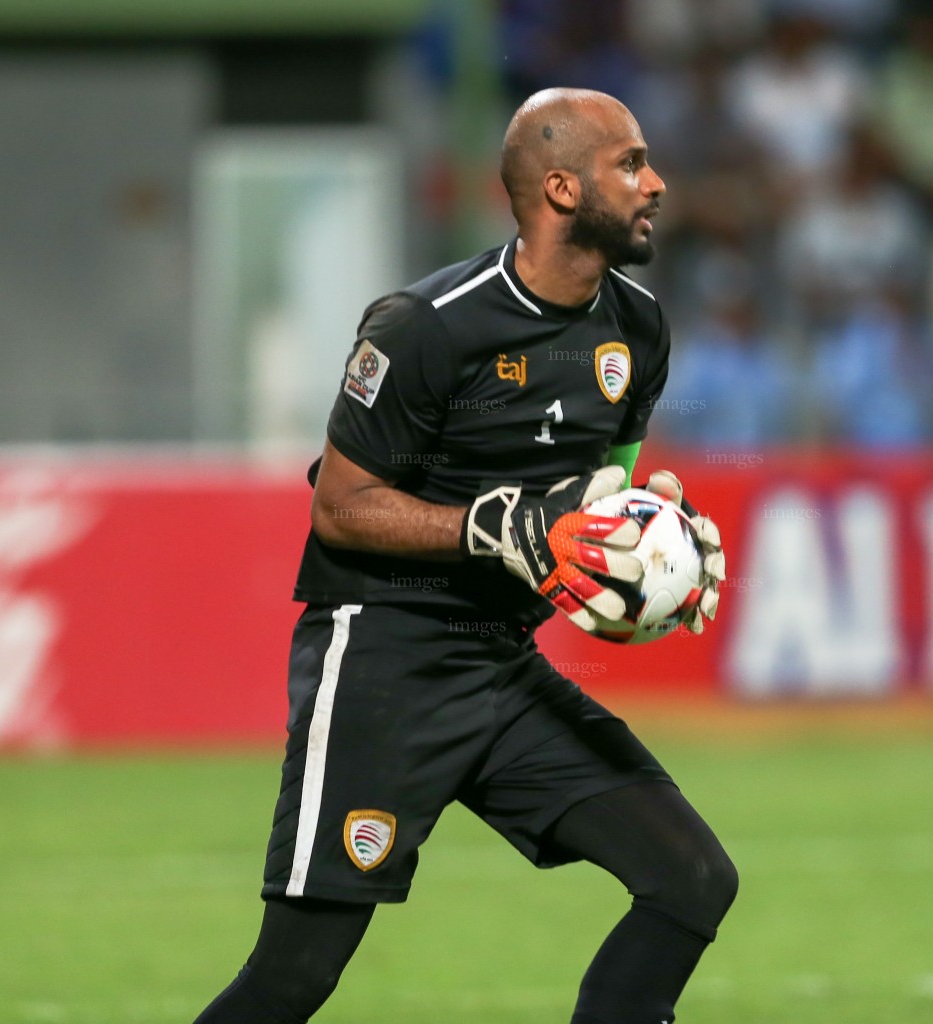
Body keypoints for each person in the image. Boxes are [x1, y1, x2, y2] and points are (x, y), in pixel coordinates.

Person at [191, 87, 731, 1024]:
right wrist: (491, 526)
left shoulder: (638, 329)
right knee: (294, 977)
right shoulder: (425, 325)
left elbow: (597, 504)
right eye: (631, 164)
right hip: (383, 662)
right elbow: (341, 510)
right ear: (562, 188)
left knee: (690, 879)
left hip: (502, 668)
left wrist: (650, 563)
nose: (657, 183)